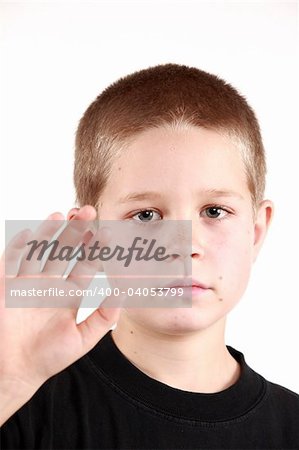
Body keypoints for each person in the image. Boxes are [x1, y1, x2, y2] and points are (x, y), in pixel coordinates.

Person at [1, 63, 299, 449]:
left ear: (256, 231)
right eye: (145, 215)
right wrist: (9, 379)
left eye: (214, 211)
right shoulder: (22, 404)